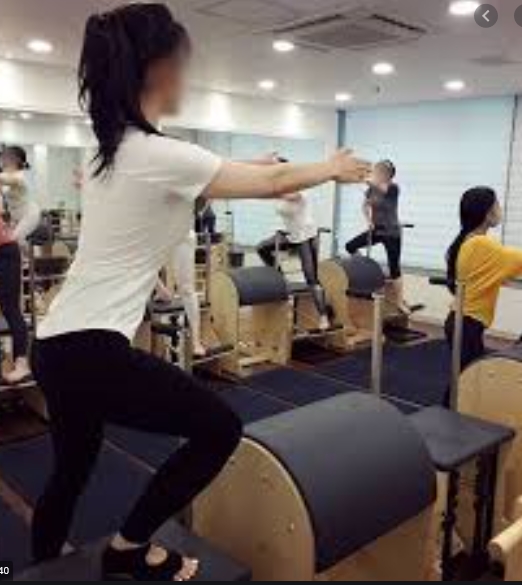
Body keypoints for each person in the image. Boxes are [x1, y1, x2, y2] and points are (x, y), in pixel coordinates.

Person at [31, 3, 370, 582]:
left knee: (71, 470)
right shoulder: (159, 154)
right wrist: (330, 166)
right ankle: (129, 547)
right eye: (181, 63)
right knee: (218, 429)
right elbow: (268, 182)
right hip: (91, 350)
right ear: (157, 69)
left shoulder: (111, 149)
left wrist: (248, 164)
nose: (185, 75)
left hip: (54, 344)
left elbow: (194, 177)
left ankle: (39, 570)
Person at [445, 187, 522, 370]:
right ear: (487, 213)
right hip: (467, 324)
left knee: (470, 376)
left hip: (463, 321)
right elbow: (516, 259)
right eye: (497, 205)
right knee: (470, 378)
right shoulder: (481, 244)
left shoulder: (468, 239)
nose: (500, 209)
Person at [257, 157, 330, 330]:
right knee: (262, 248)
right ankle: (280, 279)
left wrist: (269, 188)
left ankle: (324, 316)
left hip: (306, 236)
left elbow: (292, 196)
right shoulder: (280, 188)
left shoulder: (298, 187)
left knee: (311, 279)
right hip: (289, 235)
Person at [345, 160, 409, 313]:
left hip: (392, 232)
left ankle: (399, 302)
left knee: (394, 268)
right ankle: (365, 268)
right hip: (377, 230)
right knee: (350, 246)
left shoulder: (393, 188)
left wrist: (363, 178)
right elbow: (365, 205)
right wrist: (369, 221)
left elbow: (381, 188)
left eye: (378, 171)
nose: (375, 173)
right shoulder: (371, 189)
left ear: (387, 175)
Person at [0, 146, 35, 384]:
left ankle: (22, 363)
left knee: (11, 308)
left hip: (7, 249)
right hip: (9, 243)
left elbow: (8, 178)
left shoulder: (18, 178)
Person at [155, 230, 206, 357]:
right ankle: (162, 291)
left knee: (186, 288)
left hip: (181, 234)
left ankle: (196, 340)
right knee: (139, 266)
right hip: (155, 232)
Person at [0, 146, 41, 243]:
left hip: (29, 214)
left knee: (12, 240)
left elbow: (9, 180)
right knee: (15, 242)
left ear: (16, 160)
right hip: (14, 215)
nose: (2, 162)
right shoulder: (5, 176)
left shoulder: (21, 175)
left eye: (5, 159)